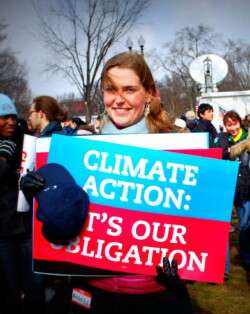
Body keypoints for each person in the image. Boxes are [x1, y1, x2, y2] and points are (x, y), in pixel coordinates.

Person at [21, 52, 192, 314]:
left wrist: (185, 268)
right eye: (111, 89)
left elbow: (198, 232)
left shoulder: (181, 146)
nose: (119, 99)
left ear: (149, 93)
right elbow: (62, 229)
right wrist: (42, 194)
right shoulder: (79, 149)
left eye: (129, 89)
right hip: (92, 291)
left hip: (153, 295)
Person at [0, 93, 45, 314]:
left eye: (11, 116)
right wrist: (3, 161)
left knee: (35, 286)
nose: (9, 122)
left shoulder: (27, 140)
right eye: (3, 117)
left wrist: (33, 182)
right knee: (10, 287)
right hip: (2, 234)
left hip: (27, 227)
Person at [214, 110, 250, 270]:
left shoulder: (248, 135)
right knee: (222, 227)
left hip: (246, 188)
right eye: (229, 125)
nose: (232, 128)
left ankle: (246, 258)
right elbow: (219, 153)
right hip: (226, 189)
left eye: (234, 123)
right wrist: (234, 149)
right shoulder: (221, 138)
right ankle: (223, 268)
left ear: (239, 122)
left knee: (245, 226)